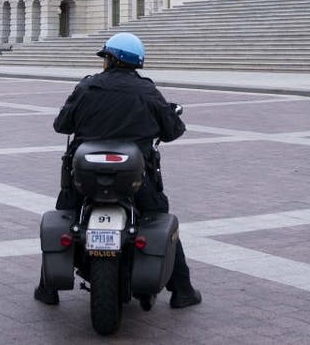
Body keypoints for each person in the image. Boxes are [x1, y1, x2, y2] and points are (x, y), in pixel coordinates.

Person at [33, 32, 202, 309]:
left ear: (111, 59)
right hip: (135, 177)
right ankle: (182, 290)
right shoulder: (147, 90)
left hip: (84, 177)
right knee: (157, 216)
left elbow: (61, 125)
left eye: (105, 57)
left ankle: (47, 288)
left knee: (66, 214)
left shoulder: (87, 87)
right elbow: (173, 130)